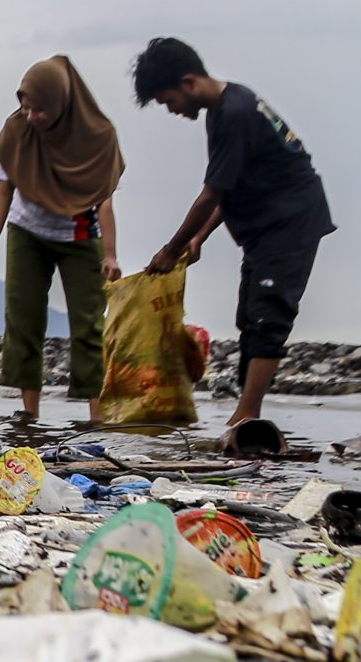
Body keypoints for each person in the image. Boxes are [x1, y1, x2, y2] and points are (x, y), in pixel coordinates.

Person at [131, 38, 334, 433]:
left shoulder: (235, 113)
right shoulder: (224, 109)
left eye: (168, 100)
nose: (171, 110)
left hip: (290, 221)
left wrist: (171, 250)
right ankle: (246, 412)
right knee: (249, 315)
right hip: (265, 226)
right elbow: (231, 185)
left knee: (268, 314)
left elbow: (211, 193)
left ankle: (246, 415)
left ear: (189, 82)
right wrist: (199, 238)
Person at [0, 56, 125, 423]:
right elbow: (3, 192)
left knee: (89, 325)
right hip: (27, 233)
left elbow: (104, 200)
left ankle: (96, 415)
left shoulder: (97, 136)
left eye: (40, 109)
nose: (31, 116)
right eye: (26, 107)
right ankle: (28, 413)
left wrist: (110, 254)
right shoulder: (16, 131)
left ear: (61, 104)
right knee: (23, 320)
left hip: (80, 234)